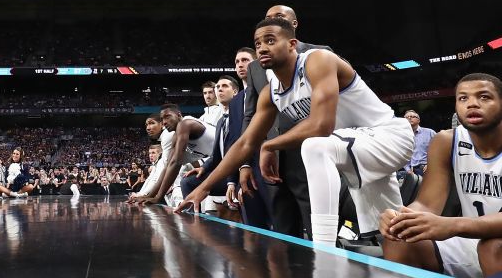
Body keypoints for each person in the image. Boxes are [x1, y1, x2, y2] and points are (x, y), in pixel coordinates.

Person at [177, 17, 413, 248]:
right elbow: (245, 143)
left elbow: (321, 126)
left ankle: (324, 250)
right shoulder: (272, 92)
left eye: (270, 40)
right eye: (258, 44)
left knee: (314, 146)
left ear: (292, 44)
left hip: (389, 136)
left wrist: (270, 145)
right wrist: (203, 187)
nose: (262, 48)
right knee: (393, 231)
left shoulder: (318, 60)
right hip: (358, 149)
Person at [380, 73, 502, 278]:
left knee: (493, 247)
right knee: (401, 237)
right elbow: (427, 204)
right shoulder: (446, 141)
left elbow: (454, 226)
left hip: (489, 243)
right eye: (463, 98)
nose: (472, 104)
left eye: (484, 97)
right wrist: (401, 217)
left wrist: (452, 224)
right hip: (472, 238)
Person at [241, 4, 332, 236]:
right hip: (272, 159)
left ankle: (328, 269)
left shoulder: (321, 53)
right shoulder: (254, 68)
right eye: (267, 18)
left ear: (294, 25)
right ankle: (292, 273)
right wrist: (244, 163)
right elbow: (250, 115)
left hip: (310, 149)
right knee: (283, 231)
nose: (271, 21)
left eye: (278, 17)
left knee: (319, 227)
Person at [138, 103, 216, 206]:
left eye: (168, 117)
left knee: (186, 182)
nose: (164, 122)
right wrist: (150, 196)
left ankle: (190, 215)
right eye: (162, 119)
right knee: (185, 180)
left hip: (229, 162)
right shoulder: (176, 136)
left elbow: (176, 162)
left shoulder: (185, 124)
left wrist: (158, 197)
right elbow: (168, 167)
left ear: (178, 115)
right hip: (216, 162)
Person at [180, 75, 240, 206]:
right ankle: (191, 219)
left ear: (235, 92)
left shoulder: (240, 114)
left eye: (223, 86)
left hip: (238, 169)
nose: (219, 90)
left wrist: (232, 181)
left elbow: (238, 149)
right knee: (187, 180)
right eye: (217, 87)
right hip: (215, 165)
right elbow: (217, 152)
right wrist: (203, 167)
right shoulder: (217, 121)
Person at [403, 110, 436, 176]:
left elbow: (440, 149)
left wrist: (431, 163)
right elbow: (403, 155)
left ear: (418, 120)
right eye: (407, 117)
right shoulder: (403, 137)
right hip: (414, 172)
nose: (409, 118)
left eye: (412, 116)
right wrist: (408, 170)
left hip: (431, 168)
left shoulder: (429, 132)